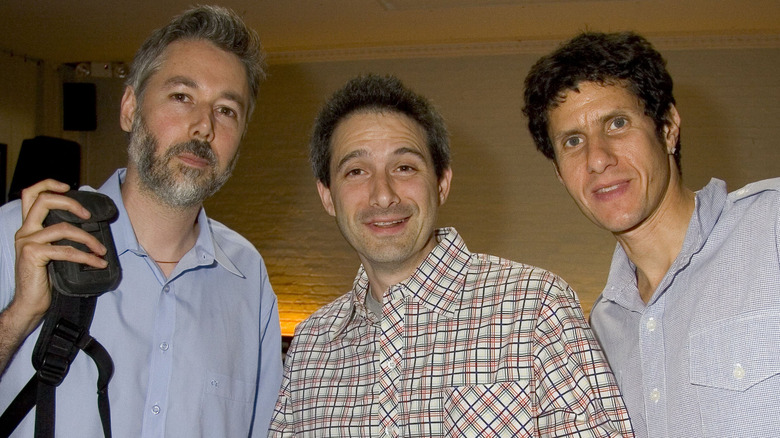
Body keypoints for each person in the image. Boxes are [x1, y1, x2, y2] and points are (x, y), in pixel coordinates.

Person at [269, 73, 633, 437]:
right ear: (328, 195)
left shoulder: (536, 306)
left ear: (441, 183)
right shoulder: (311, 345)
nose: (383, 195)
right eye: (356, 171)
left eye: (404, 167)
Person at [0, 5, 282, 437]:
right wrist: (20, 315)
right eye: (182, 96)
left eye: (226, 110)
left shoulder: (248, 277)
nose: (203, 126)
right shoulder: (21, 235)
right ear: (130, 107)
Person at [522, 31, 780, 437]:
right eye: (573, 141)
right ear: (559, 173)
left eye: (617, 123)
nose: (598, 159)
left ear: (668, 128)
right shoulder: (597, 335)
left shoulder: (772, 226)